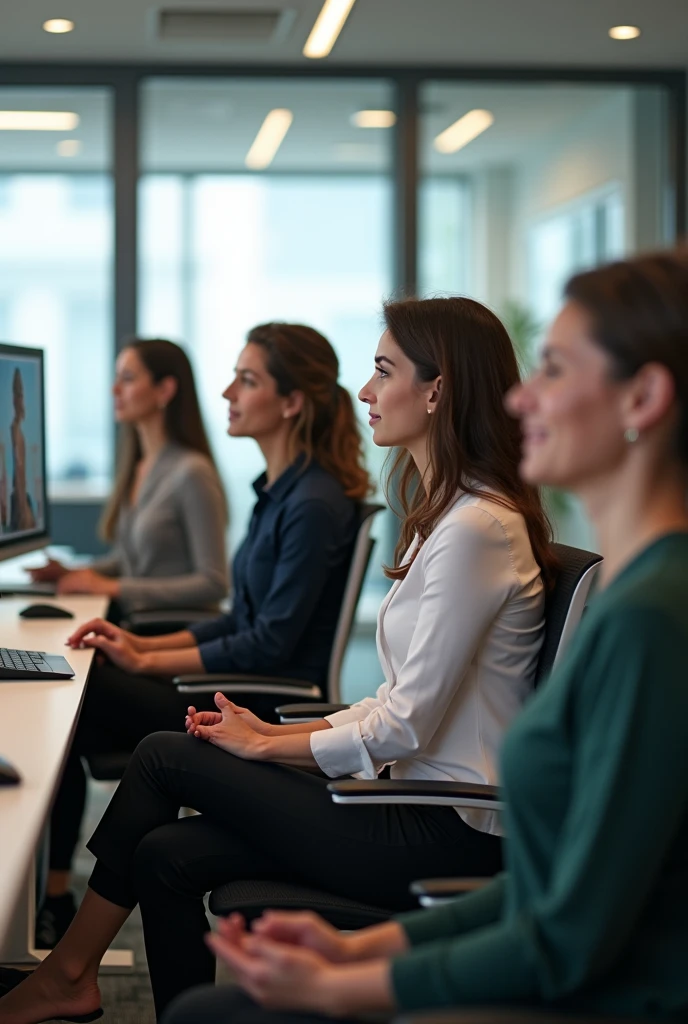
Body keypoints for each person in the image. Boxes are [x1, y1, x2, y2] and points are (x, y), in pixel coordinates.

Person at [158, 250, 688, 1024]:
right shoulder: (637, 596)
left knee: (206, 1013)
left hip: (595, 989)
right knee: (185, 923)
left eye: (553, 370)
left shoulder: (651, 619)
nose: (520, 397)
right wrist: (361, 951)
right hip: (488, 888)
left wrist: (346, 986)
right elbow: (550, 885)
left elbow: (567, 934)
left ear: (642, 397)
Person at [0, 297, 553, 1024]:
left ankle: (68, 971)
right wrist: (270, 741)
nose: (364, 392)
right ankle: (94, 983)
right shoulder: (448, 517)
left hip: (437, 826)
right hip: (403, 798)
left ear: (437, 389)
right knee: (165, 855)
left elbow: (406, 724)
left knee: (165, 755)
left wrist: (270, 741)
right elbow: (393, 704)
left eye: (383, 371)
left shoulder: (477, 526)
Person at [33, 322, 369, 951]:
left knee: (70, 691)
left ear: (291, 401)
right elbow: (237, 616)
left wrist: (151, 656)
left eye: (247, 380)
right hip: (239, 684)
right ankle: (51, 907)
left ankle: (58, 918)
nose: (226, 393)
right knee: (75, 689)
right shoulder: (279, 494)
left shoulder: (313, 503)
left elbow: (266, 642)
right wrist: (143, 650)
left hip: (260, 705)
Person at [29, 338, 228, 615]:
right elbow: (130, 561)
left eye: (128, 378)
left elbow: (215, 583)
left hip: (169, 632)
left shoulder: (192, 472)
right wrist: (73, 573)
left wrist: (112, 588)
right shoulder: (138, 467)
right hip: (137, 625)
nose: (115, 389)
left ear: (165, 389)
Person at [10, 368, 36, 532]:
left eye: (22, 395)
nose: (21, 400)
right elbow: (18, 473)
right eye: (18, 395)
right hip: (19, 501)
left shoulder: (18, 431)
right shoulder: (15, 432)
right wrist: (24, 509)